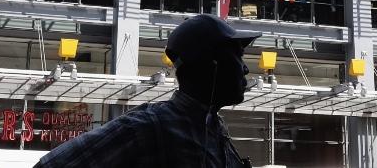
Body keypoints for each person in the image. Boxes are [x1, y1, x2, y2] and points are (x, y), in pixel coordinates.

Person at [34, 14, 260, 168]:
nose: (245, 68)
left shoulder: (215, 130)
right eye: (237, 56)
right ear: (212, 63)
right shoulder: (148, 128)